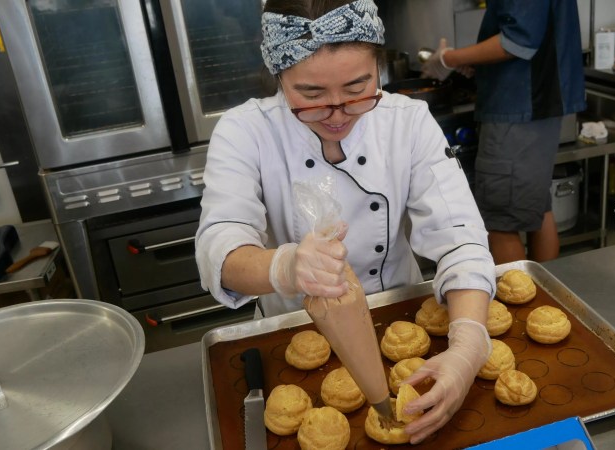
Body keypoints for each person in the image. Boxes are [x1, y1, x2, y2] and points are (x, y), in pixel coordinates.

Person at [195, 0, 496, 443]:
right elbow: (220, 245)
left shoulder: (407, 122)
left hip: (399, 316)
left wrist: (469, 345)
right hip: (294, 328)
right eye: (311, 96)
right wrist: (284, 266)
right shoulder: (245, 132)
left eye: (359, 87)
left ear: (380, 66)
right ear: (278, 76)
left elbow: (460, 239)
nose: (337, 113)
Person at [423, 0, 586, 264]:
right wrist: (478, 62)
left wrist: (449, 59)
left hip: (518, 107)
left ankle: (518, 303)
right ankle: (544, 298)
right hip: (532, 105)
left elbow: (518, 40)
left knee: (499, 221)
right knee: (537, 206)